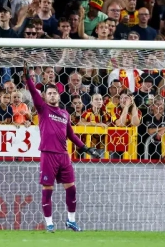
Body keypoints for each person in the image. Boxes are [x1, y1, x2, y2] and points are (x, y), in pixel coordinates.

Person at [23, 62, 102, 233]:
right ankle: (49, 223)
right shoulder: (42, 109)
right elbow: (33, 93)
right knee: (48, 189)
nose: (52, 96)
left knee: (71, 189)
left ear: (58, 96)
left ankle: (71, 221)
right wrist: (28, 79)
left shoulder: (65, 114)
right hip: (48, 154)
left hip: (64, 155)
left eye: (54, 93)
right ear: (45, 97)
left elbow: (71, 135)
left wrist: (86, 148)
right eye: (49, 93)